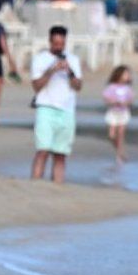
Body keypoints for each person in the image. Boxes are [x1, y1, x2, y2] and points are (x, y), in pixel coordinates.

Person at [30, 26, 83, 183]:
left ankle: (57, 187)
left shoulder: (73, 60)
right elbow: (36, 86)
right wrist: (51, 71)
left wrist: (70, 72)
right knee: (43, 150)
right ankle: (35, 185)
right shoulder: (40, 59)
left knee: (61, 154)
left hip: (67, 110)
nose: (59, 47)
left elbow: (78, 86)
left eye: (61, 43)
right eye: (56, 43)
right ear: (50, 41)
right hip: (46, 108)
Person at [102, 65, 134, 163]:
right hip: (113, 112)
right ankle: (120, 151)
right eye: (125, 74)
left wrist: (126, 103)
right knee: (111, 135)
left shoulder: (127, 88)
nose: (127, 76)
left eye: (128, 75)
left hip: (123, 113)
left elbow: (131, 101)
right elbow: (106, 99)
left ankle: (119, 156)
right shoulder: (112, 87)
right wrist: (113, 102)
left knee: (121, 134)